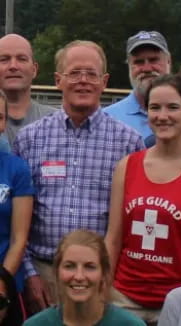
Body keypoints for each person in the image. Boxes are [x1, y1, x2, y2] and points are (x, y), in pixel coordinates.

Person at [13, 40, 144, 314]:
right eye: (74, 73)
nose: (83, 81)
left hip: (101, 276)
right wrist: (29, 274)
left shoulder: (129, 143)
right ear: (58, 80)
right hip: (45, 273)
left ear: (104, 81)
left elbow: (133, 216)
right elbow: (18, 217)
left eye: (91, 74)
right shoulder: (30, 139)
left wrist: (111, 275)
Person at [105, 73, 181, 324]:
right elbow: (114, 237)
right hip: (124, 300)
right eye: (155, 108)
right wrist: (104, 292)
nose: (163, 116)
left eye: (173, 107)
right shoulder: (127, 166)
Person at [24, 230, 146, 325]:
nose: (79, 276)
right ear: (57, 272)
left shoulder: (130, 324)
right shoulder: (35, 324)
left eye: (90, 267)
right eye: (69, 266)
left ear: (104, 274)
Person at [104, 31, 171, 147]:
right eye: (139, 62)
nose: (147, 68)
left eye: (153, 60)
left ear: (169, 62)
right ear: (129, 66)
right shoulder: (107, 119)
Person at [0, 90, 34, 294]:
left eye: (0, 117)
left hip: (5, 279)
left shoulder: (17, 169)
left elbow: (19, 239)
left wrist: (3, 281)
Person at [0, 34, 56, 148]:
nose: (13, 66)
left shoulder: (56, 121)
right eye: (4, 59)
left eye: (22, 59)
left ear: (34, 69)